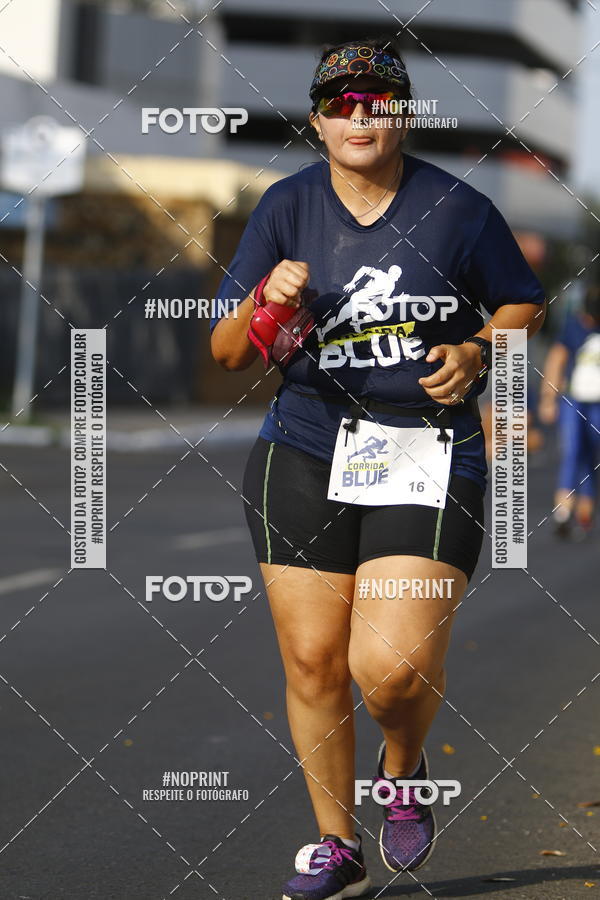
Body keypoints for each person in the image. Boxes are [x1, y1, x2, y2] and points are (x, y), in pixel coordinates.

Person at [210, 37, 546, 900]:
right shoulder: (285, 206)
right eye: (340, 102)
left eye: (377, 101)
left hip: (425, 447)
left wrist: (477, 350)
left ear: (399, 112)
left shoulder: (457, 208)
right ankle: (338, 846)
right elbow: (225, 354)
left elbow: (522, 300)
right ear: (318, 119)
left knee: (390, 669)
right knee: (316, 662)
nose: (358, 117)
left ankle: (402, 769)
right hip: (306, 442)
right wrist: (263, 304)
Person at [539, 283, 600, 538]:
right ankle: (563, 511)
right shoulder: (573, 327)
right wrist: (548, 398)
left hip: (597, 403)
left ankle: (585, 513)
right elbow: (557, 359)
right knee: (573, 451)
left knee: (591, 455)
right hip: (574, 400)